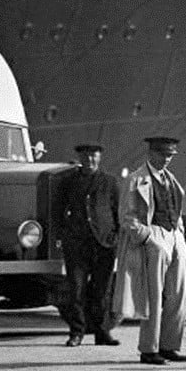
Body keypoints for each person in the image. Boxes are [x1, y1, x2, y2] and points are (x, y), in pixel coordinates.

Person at [113, 136, 186, 365]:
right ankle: (149, 349)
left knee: (178, 294)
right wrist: (148, 238)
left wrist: (179, 234)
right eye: (162, 154)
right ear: (151, 154)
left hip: (174, 236)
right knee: (153, 296)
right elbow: (126, 217)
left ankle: (170, 345)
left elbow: (176, 207)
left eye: (169, 155)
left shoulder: (170, 179)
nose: (166, 159)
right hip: (154, 236)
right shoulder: (137, 179)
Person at [57, 143, 121, 346]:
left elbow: (117, 211)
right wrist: (64, 235)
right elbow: (58, 211)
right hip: (77, 243)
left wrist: (116, 238)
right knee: (76, 289)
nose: (90, 160)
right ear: (79, 158)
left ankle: (102, 332)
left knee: (102, 291)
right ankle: (76, 332)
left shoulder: (110, 182)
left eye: (94, 156)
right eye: (85, 156)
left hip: (104, 244)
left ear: (100, 158)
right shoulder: (68, 182)